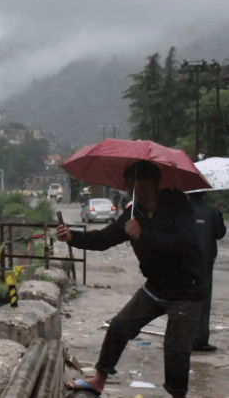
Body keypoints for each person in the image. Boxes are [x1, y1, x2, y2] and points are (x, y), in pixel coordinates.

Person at [57, 160, 204, 398]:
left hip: (187, 291)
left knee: (176, 349)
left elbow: (179, 244)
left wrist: (142, 235)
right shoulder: (133, 213)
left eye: (138, 186)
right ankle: (99, 379)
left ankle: (178, 395)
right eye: (130, 187)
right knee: (119, 326)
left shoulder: (177, 204)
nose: (133, 191)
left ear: (154, 184)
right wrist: (72, 236)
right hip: (156, 287)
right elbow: (104, 239)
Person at [189, 191, 226, 352]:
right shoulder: (211, 212)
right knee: (203, 303)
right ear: (204, 194)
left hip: (183, 263)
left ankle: (182, 338)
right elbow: (220, 233)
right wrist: (219, 214)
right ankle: (200, 340)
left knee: (182, 301)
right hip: (204, 264)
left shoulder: (180, 210)